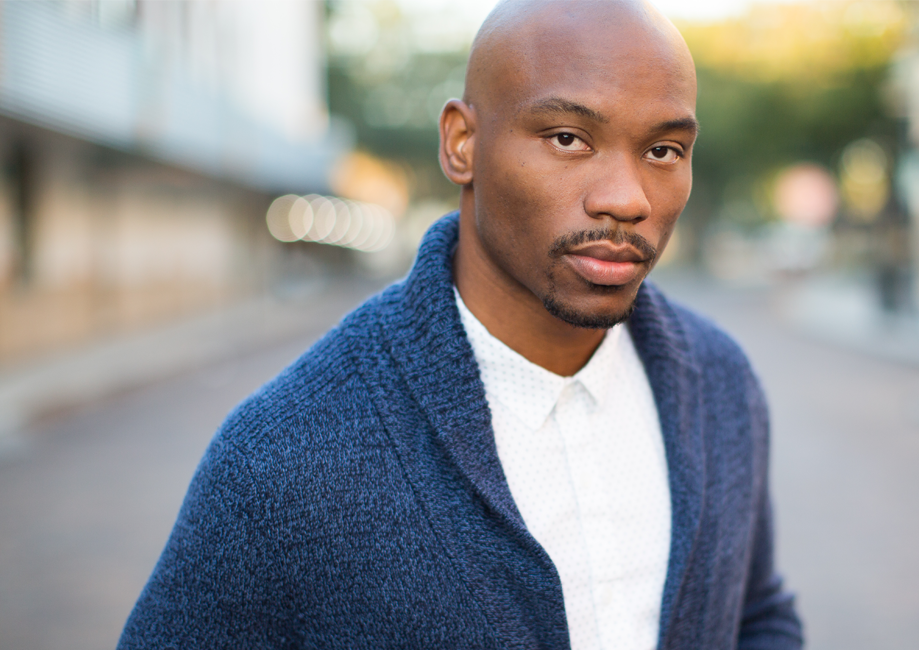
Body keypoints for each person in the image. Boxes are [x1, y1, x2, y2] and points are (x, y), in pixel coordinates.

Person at [118, 0, 803, 648]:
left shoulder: (720, 381)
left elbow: (758, 610)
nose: (626, 198)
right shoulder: (282, 457)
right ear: (462, 143)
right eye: (568, 138)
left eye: (663, 152)